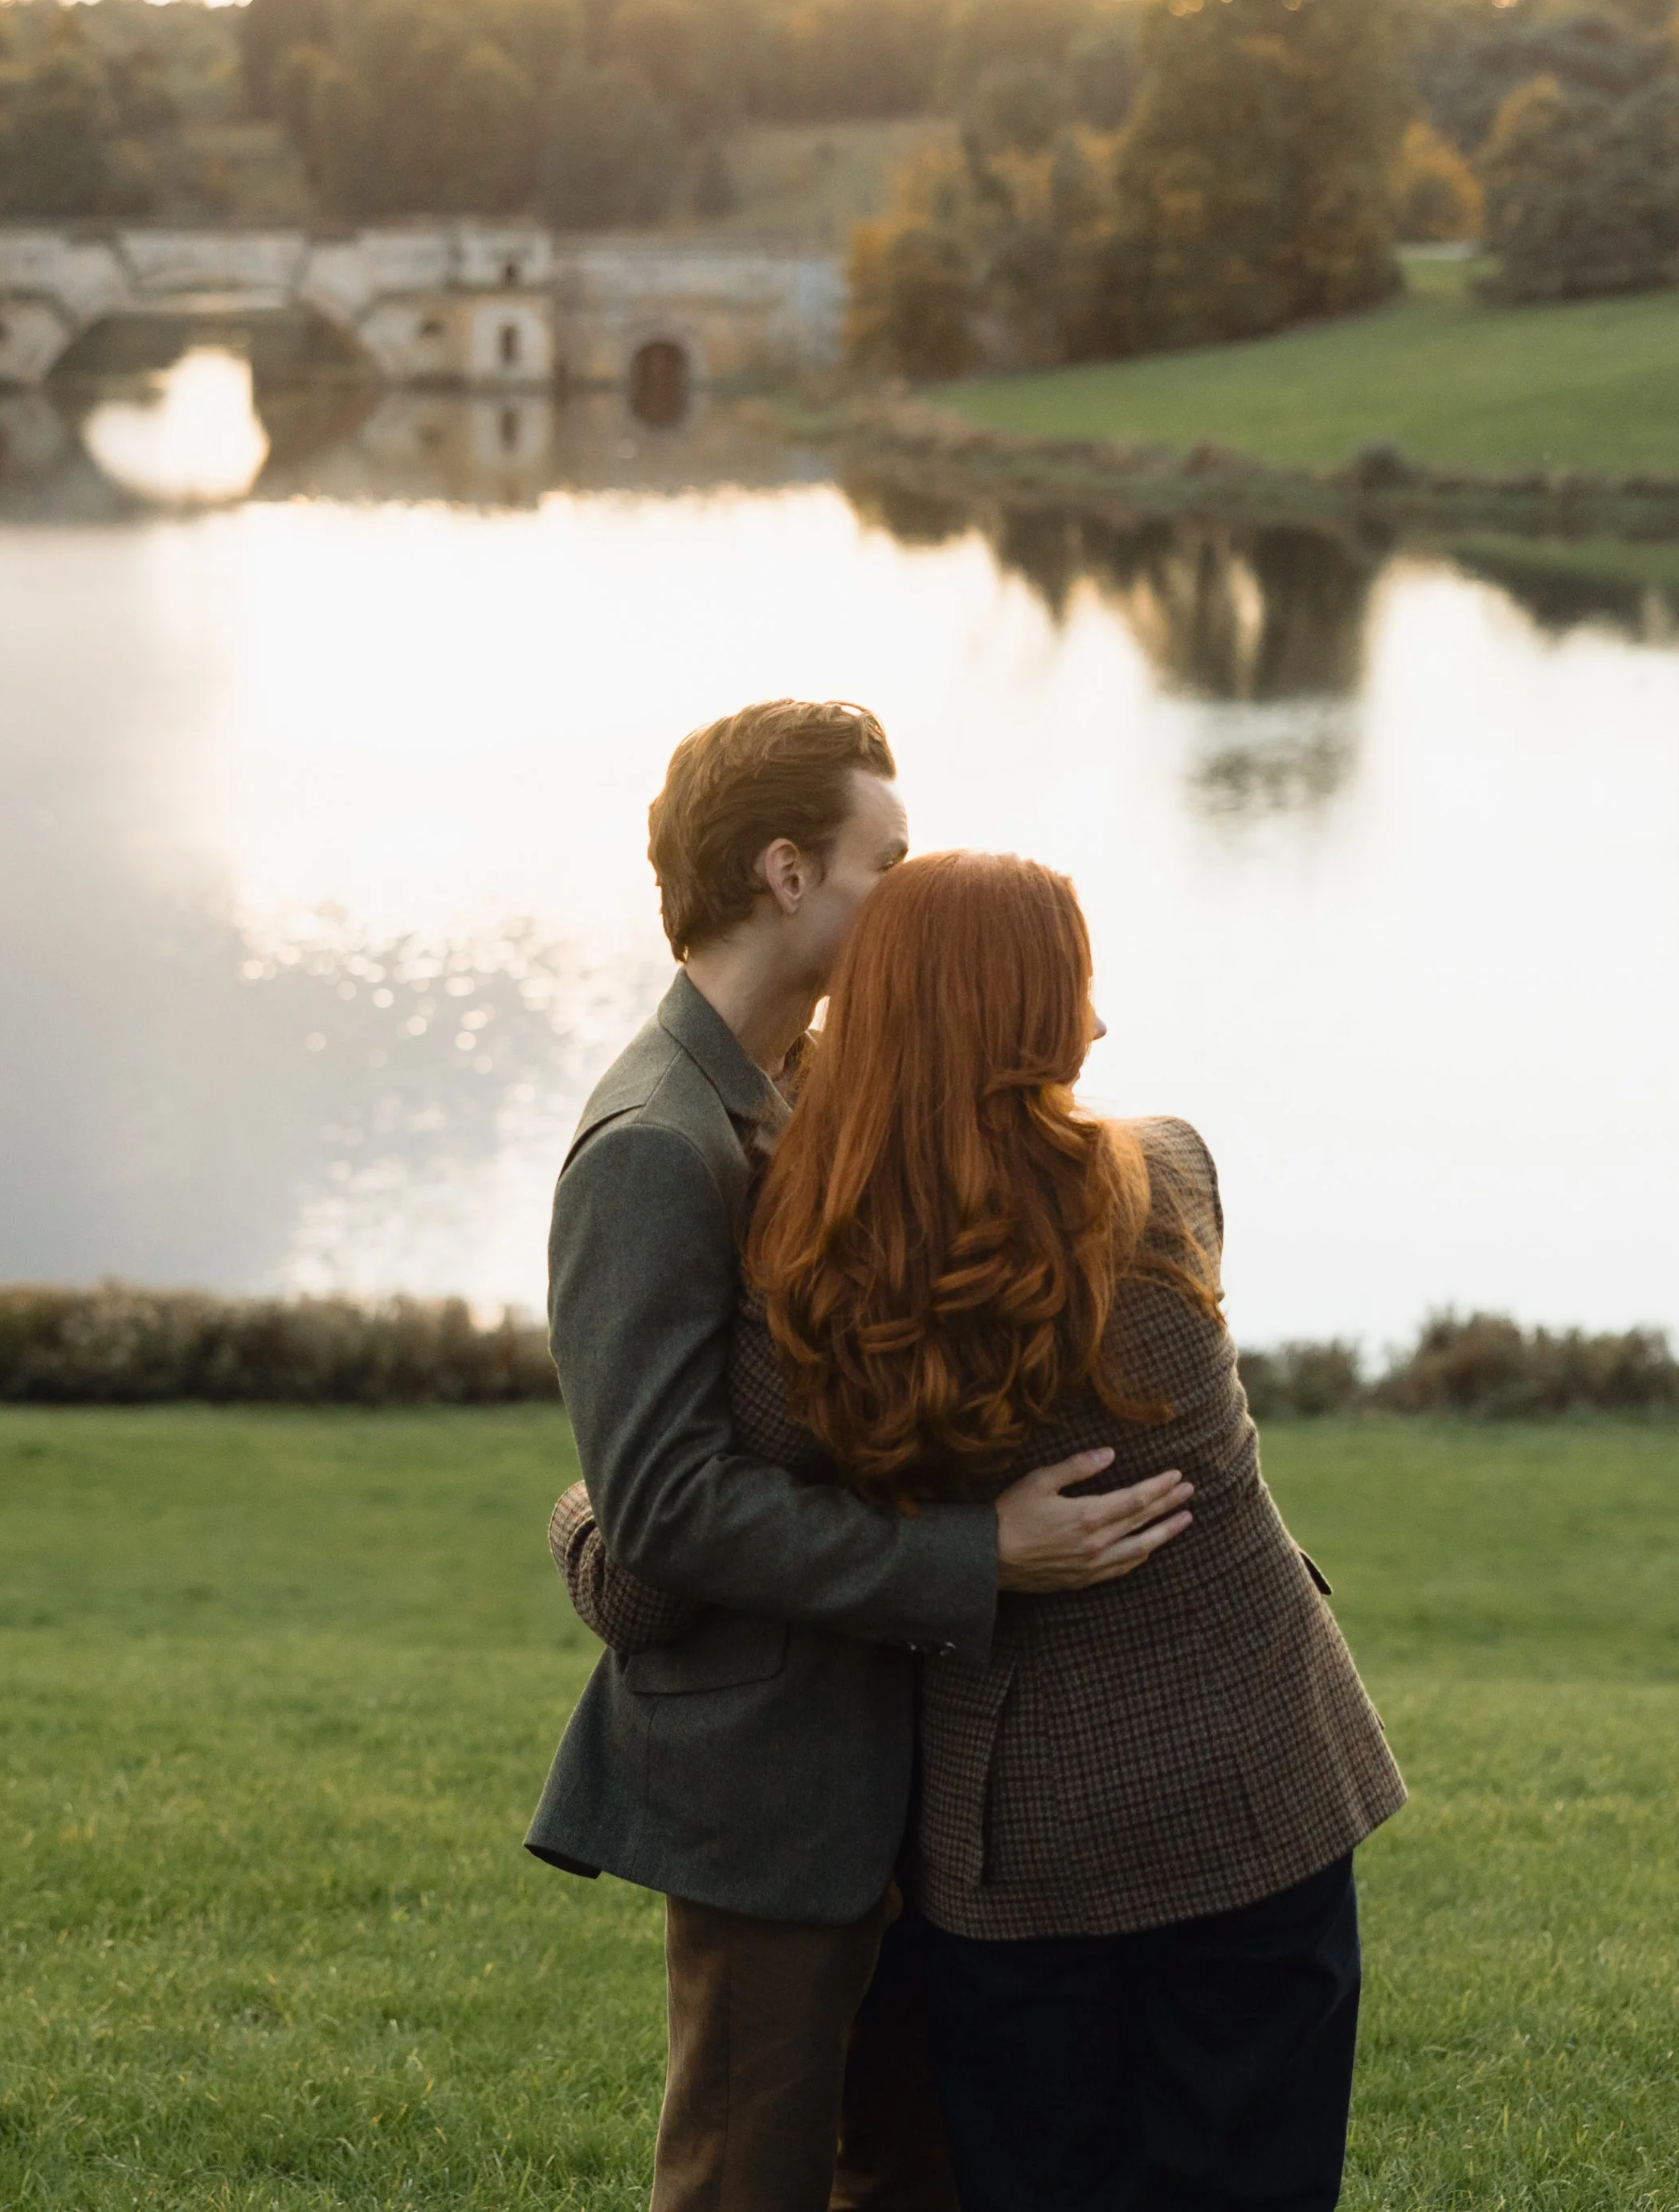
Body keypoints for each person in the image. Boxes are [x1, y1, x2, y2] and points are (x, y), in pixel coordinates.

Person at [557, 848, 1407, 2212]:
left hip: (1021, 1845)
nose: (1102, 1025)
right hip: (1261, 1780)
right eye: (1079, 989)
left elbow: (659, 1561)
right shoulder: (1171, 1174)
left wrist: (586, 1518)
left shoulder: (822, 1284)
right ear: (1032, 1016)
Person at [526, 709, 1195, 2212]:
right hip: (772, 1781)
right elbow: (662, 1505)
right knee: (746, 2173)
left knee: (913, 2163)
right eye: (884, 862)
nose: (910, 893)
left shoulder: (823, 1084)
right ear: (784, 872)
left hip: (922, 1752)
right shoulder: (652, 1141)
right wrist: (981, 1554)